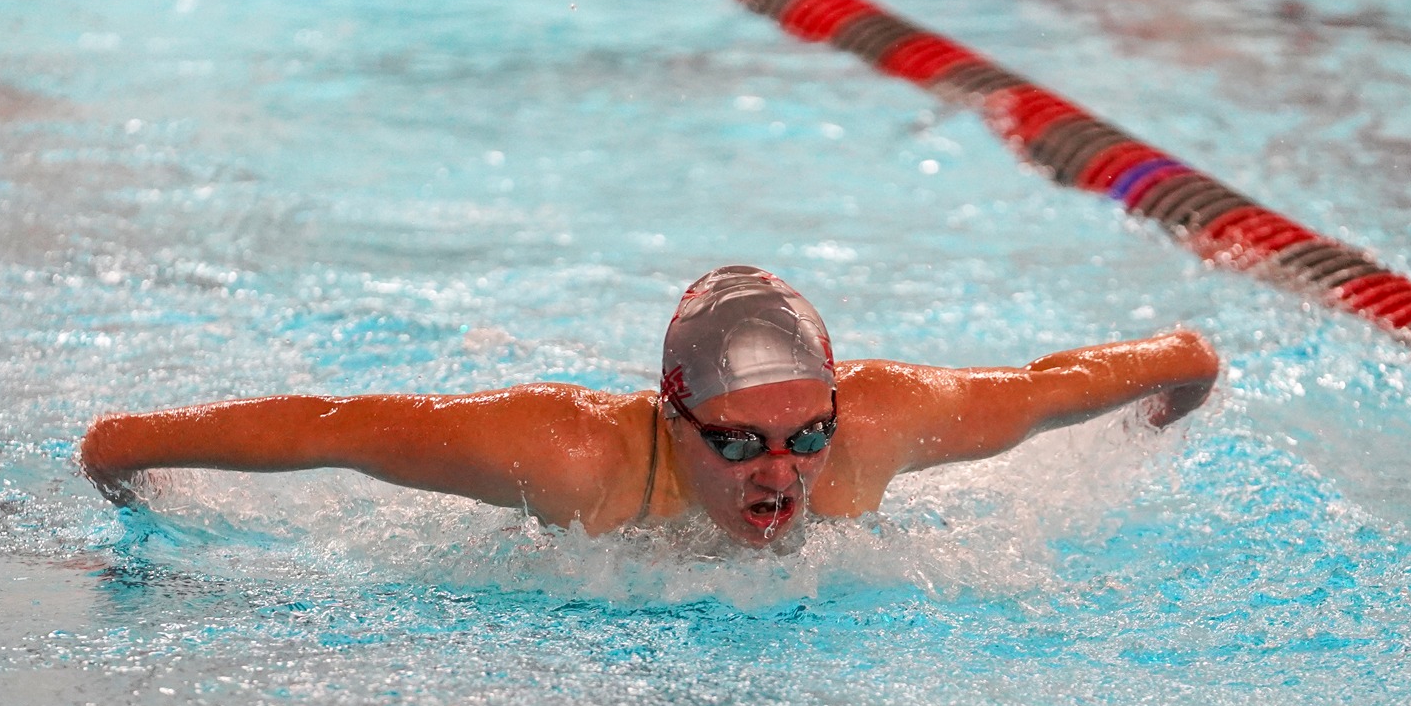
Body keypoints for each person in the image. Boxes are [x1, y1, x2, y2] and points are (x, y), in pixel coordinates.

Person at [80, 265, 1219, 547]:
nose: (784, 475)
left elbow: (1073, 383)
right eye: (740, 443)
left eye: (807, 434)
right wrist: (126, 452)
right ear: (671, 417)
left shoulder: (879, 430)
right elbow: (339, 430)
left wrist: (1178, 385)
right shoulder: (577, 459)